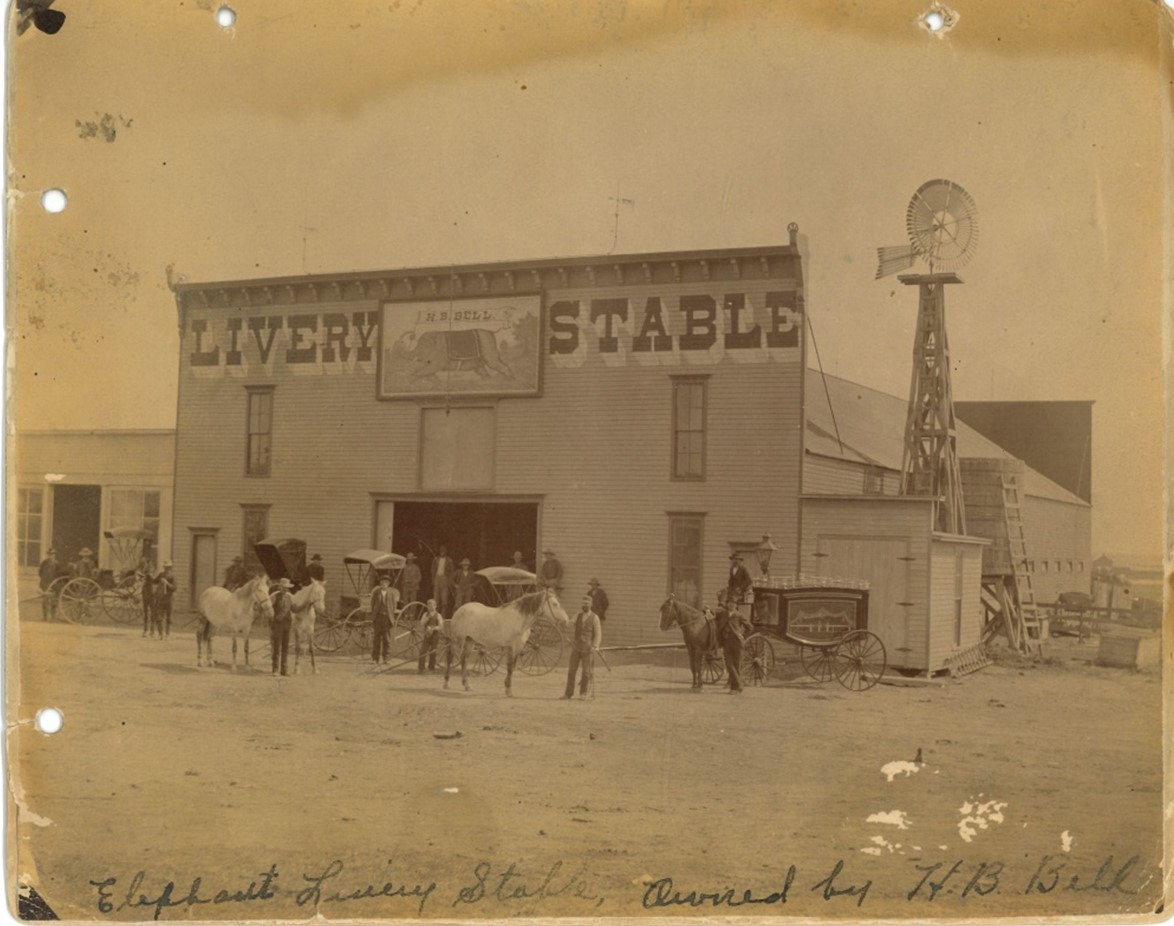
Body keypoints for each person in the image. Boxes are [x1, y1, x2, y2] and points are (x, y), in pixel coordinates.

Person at [563, 595, 602, 700]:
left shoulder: (595, 617)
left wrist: (596, 645)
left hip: (587, 648)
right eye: (583, 603)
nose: (584, 605)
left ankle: (583, 694)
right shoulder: (577, 616)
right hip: (576, 647)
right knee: (571, 671)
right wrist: (564, 623)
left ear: (591, 605)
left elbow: (598, 633)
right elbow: (569, 624)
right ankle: (568, 694)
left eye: (587, 604)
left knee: (586, 672)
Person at [715, 589, 749, 694]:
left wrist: (743, 636)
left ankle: (734, 689)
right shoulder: (722, 614)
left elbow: (749, 627)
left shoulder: (739, 615)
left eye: (733, 604)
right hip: (726, 642)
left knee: (737, 665)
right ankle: (739, 685)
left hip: (737, 643)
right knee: (729, 665)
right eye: (729, 603)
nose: (731, 605)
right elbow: (714, 614)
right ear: (727, 604)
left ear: (736, 605)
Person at [270, 577, 294, 676]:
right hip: (278, 624)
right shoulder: (275, 596)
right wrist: (272, 622)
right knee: (276, 647)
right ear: (280, 587)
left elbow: (294, 608)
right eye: (283, 587)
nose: (285, 589)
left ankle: (284, 670)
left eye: (287, 588)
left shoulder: (290, 597)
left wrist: (305, 605)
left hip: (287, 624)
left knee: (285, 648)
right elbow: (269, 610)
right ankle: (275, 670)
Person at [370, 573, 395, 664]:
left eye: (386, 582)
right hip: (378, 617)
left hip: (387, 618)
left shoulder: (391, 593)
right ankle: (375, 658)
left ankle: (386, 658)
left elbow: (393, 606)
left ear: (388, 584)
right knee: (376, 638)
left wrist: (391, 617)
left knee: (387, 639)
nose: (384, 583)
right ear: (380, 583)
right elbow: (373, 604)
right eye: (382, 582)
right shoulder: (376, 592)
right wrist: (374, 616)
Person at [417, 598, 444, 673]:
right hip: (427, 635)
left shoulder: (438, 615)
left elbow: (441, 626)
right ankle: (421, 668)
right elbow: (421, 623)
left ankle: (431, 668)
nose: (431, 607)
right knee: (423, 651)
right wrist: (428, 618)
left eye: (432, 606)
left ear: (435, 606)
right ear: (427, 607)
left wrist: (433, 628)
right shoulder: (425, 614)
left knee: (433, 651)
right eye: (429, 606)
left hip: (435, 635)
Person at [38, 547, 65, 621]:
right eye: (49, 554)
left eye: (52, 554)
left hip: (54, 584)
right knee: (44, 601)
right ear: (48, 555)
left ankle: (53, 617)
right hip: (45, 583)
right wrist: (44, 580)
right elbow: (40, 573)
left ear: (54, 555)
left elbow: (59, 574)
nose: (51, 555)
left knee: (53, 601)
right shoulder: (44, 563)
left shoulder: (57, 564)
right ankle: (45, 617)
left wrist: (55, 583)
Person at [153, 561, 176, 639]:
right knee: (159, 616)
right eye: (165, 567)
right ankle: (161, 634)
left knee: (169, 617)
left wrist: (167, 583)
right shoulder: (161, 575)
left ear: (170, 568)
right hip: (161, 598)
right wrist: (149, 576)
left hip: (169, 598)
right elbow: (154, 581)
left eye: (168, 567)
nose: (166, 569)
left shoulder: (173, 576)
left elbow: (174, 588)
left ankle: (167, 634)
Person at [431, 545, 455, 618]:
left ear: (446, 552)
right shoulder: (435, 560)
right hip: (437, 579)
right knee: (436, 600)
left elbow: (452, 572)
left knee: (444, 601)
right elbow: (432, 570)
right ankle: (435, 617)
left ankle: (442, 617)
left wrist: (449, 581)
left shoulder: (449, 560)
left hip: (445, 580)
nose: (442, 552)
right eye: (441, 551)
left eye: (444, 551)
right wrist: (433, 580)